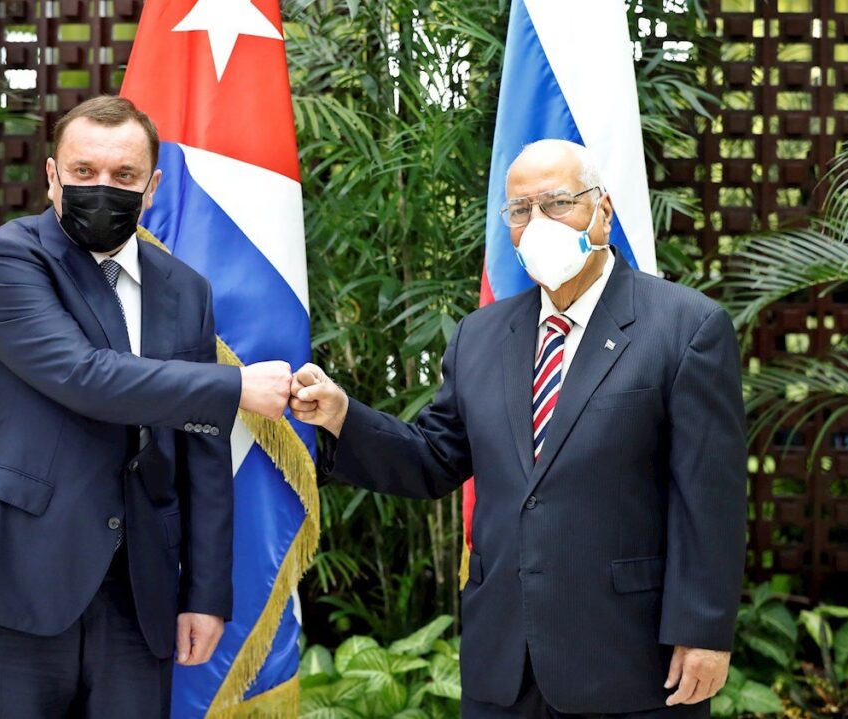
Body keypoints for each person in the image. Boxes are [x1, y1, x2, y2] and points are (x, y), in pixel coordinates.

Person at [290, 139, 747, 718]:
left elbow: (710, 499)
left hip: (630, 660)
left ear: (602, 210)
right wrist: (340, 417)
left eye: (557, 203)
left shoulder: (685, 327)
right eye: (520, 211)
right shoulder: (480, 335)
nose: (538, 223)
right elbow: (434, 458)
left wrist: (704, 631)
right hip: (502, 661)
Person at [0, 96, 292, 719]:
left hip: (140, 589)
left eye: (123, 177)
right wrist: (233, 387)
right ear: (51, 176)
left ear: (152, 188)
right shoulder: (7, 259)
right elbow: (82, 375)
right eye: (84, 172)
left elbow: (201, 452)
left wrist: (204, 591)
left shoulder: (186, 288)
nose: (102, 188)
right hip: (22, 572)